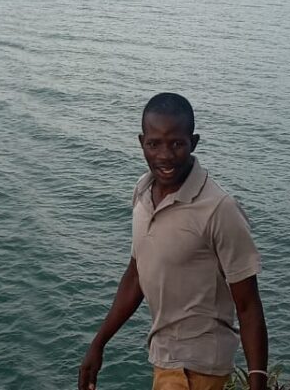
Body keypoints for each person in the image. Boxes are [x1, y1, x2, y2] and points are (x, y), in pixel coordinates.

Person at [78, 93, 268, 390]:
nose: (165, 155)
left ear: (194, 142)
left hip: (197, 368)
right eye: (154, 144)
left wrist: (258, 382)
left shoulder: (218, 209)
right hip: (165, 359)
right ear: (142, 142)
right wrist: (99, 343)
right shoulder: (142, 193)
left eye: (176, 144)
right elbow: (136, 275)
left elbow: (248, 305)